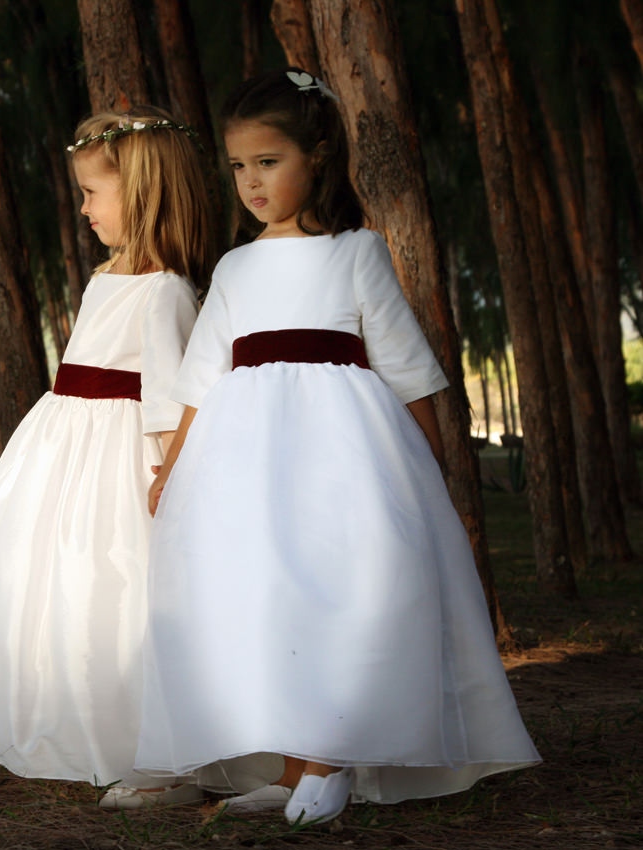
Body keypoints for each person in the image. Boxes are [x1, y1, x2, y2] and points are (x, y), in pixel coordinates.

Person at [135, 69, 540, 825]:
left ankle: (329, 759)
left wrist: (428, 464)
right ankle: (291, 769)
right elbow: (199, 379)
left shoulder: (358, 250)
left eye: (268, 162)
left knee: (334, 590)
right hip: (243, 457)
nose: (251, 183)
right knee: (267, 595)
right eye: (239, 167)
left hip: (340, 452)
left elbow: (406, 367)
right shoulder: (234, 266)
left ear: (316, 157)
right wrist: (176, 464)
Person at [0, 106, 214, 810]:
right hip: (66, 454)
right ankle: (88, 735)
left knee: (127, 601)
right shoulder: (106, 278)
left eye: (91, 192)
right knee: (74, 601)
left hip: (120, 465)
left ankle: (162, 756)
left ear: (140, 194)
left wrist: (170, 482)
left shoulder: (167, 291)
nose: (82, 208)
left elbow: (173, 401)